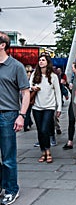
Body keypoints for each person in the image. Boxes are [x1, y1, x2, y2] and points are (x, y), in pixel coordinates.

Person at [0, 31, 30, 205]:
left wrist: (21, 115)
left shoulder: (16, 66)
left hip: (8, 115)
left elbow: (25, 93)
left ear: (3, 45)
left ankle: (12, 189)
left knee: (8, 157)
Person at [29, 53, 62, 164]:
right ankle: (43, 151)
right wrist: (32, 87)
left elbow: (58, 92)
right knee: (39, 130)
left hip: (49, 106)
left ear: (47, 62)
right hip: (37, 107)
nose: (41, 62)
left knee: (44, 129)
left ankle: (48, 151)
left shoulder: (53, 76)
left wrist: (59, 108)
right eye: (40, 60)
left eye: (43, 60)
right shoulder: (35, 74)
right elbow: (28, 86)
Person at [62, 61, 76, 150]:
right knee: (71, 121)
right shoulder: (74, 77)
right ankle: (70, 141)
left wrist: (68, 86)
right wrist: (68, 85)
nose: (72, 69)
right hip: (74, 102)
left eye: (73, 67)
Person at [24, 65, 34, 132]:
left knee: (26, 111)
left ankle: (28, 123)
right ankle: (27, 124)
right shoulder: (32, 78)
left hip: (24, 96)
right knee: (27, 111)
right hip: (29, 95)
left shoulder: (23, 77)